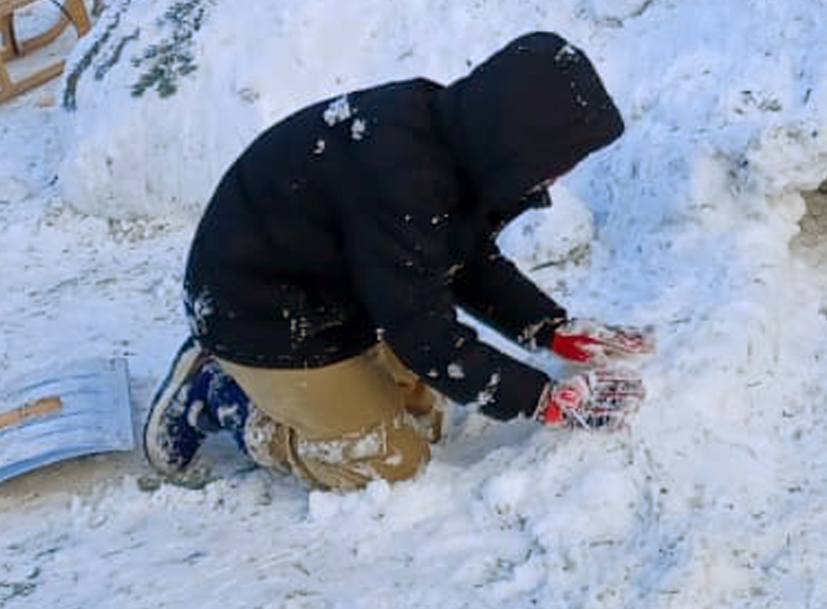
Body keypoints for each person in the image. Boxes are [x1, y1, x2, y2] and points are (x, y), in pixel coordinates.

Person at [141, 31, 654, 490]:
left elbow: (462, 261)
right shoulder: (403, 184)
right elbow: (424, 335)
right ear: (520, 141)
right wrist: (542, 398)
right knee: (390, 461)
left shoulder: (456, 140)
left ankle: (283, 386)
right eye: (560, 161)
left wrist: (549, 328)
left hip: (336, 289)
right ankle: (222, 395)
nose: (560, 176)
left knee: (425, 416)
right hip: (257, 310)